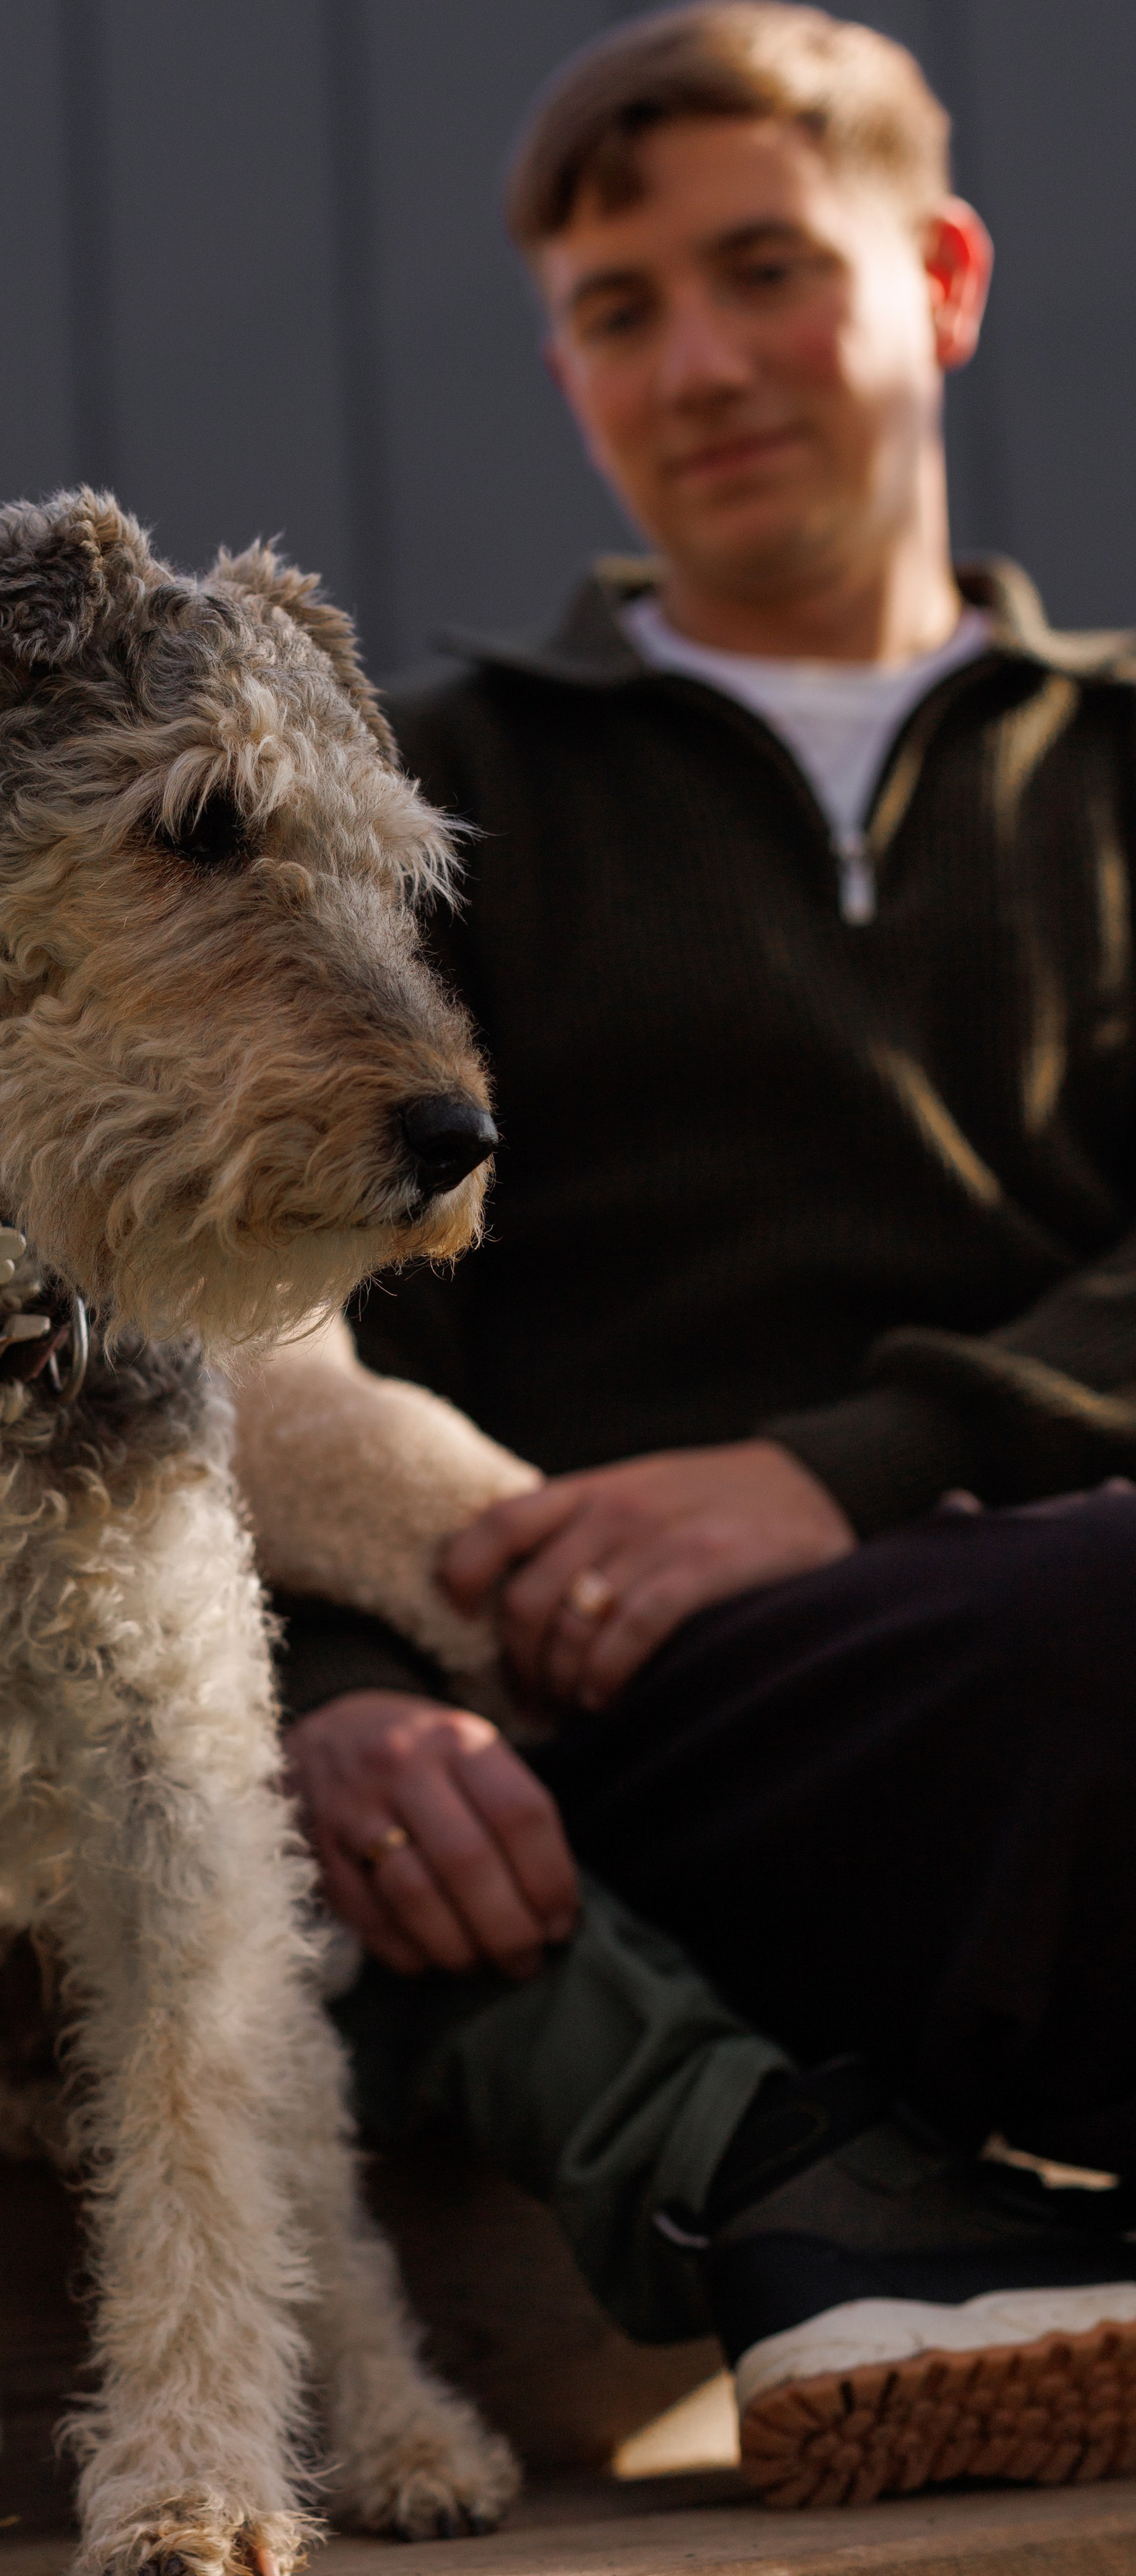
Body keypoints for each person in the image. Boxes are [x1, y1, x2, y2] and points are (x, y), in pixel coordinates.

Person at [276, 0, 1136, 2508]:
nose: (705, 361)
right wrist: (338, 1689)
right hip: (637, 1732)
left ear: (944, 274)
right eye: (621, 309)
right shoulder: (425, 791)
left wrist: (848, 1464)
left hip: (1024, 1604)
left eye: (766, 266)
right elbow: (286, 1326)